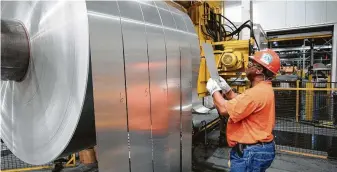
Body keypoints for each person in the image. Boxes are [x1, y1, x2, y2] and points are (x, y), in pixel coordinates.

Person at [206, 49, 281, 172]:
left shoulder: (255, 93)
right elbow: (242, 103)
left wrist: (214, 90)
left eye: (251, 64)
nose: (247, 66)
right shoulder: (264, 89)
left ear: (259, 70)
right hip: (261, 149)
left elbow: (224, 109)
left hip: (251, 152)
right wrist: (227, 90)